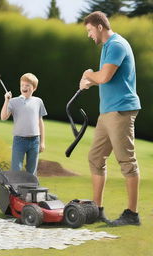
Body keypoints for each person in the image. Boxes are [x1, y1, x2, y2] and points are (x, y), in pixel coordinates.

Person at [79, 11, 141, 226]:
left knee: (126, 162)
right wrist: (91, 81)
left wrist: (89, 75)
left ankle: (132, 215)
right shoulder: (107, 47)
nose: (89, 35)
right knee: (96, 158)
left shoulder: (116, 45)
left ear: (99, 27)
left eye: (89, 30)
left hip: (121, 110)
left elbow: (104, 76)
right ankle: (97, 210)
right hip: (107, 112)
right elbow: (107, 77)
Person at [0, 73, 47, 176]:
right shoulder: (13, 101)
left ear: (34, 88)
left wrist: (42, 142)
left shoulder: (38, 101)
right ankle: (15, 191)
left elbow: (40, 122)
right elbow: (3, 117)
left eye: (27, 85)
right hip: (19, 141)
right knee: (16, 169)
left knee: (32, 170)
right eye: (22, 85)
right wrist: (6, 100)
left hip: (35, 140)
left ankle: (31, 191)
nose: (24, 87)